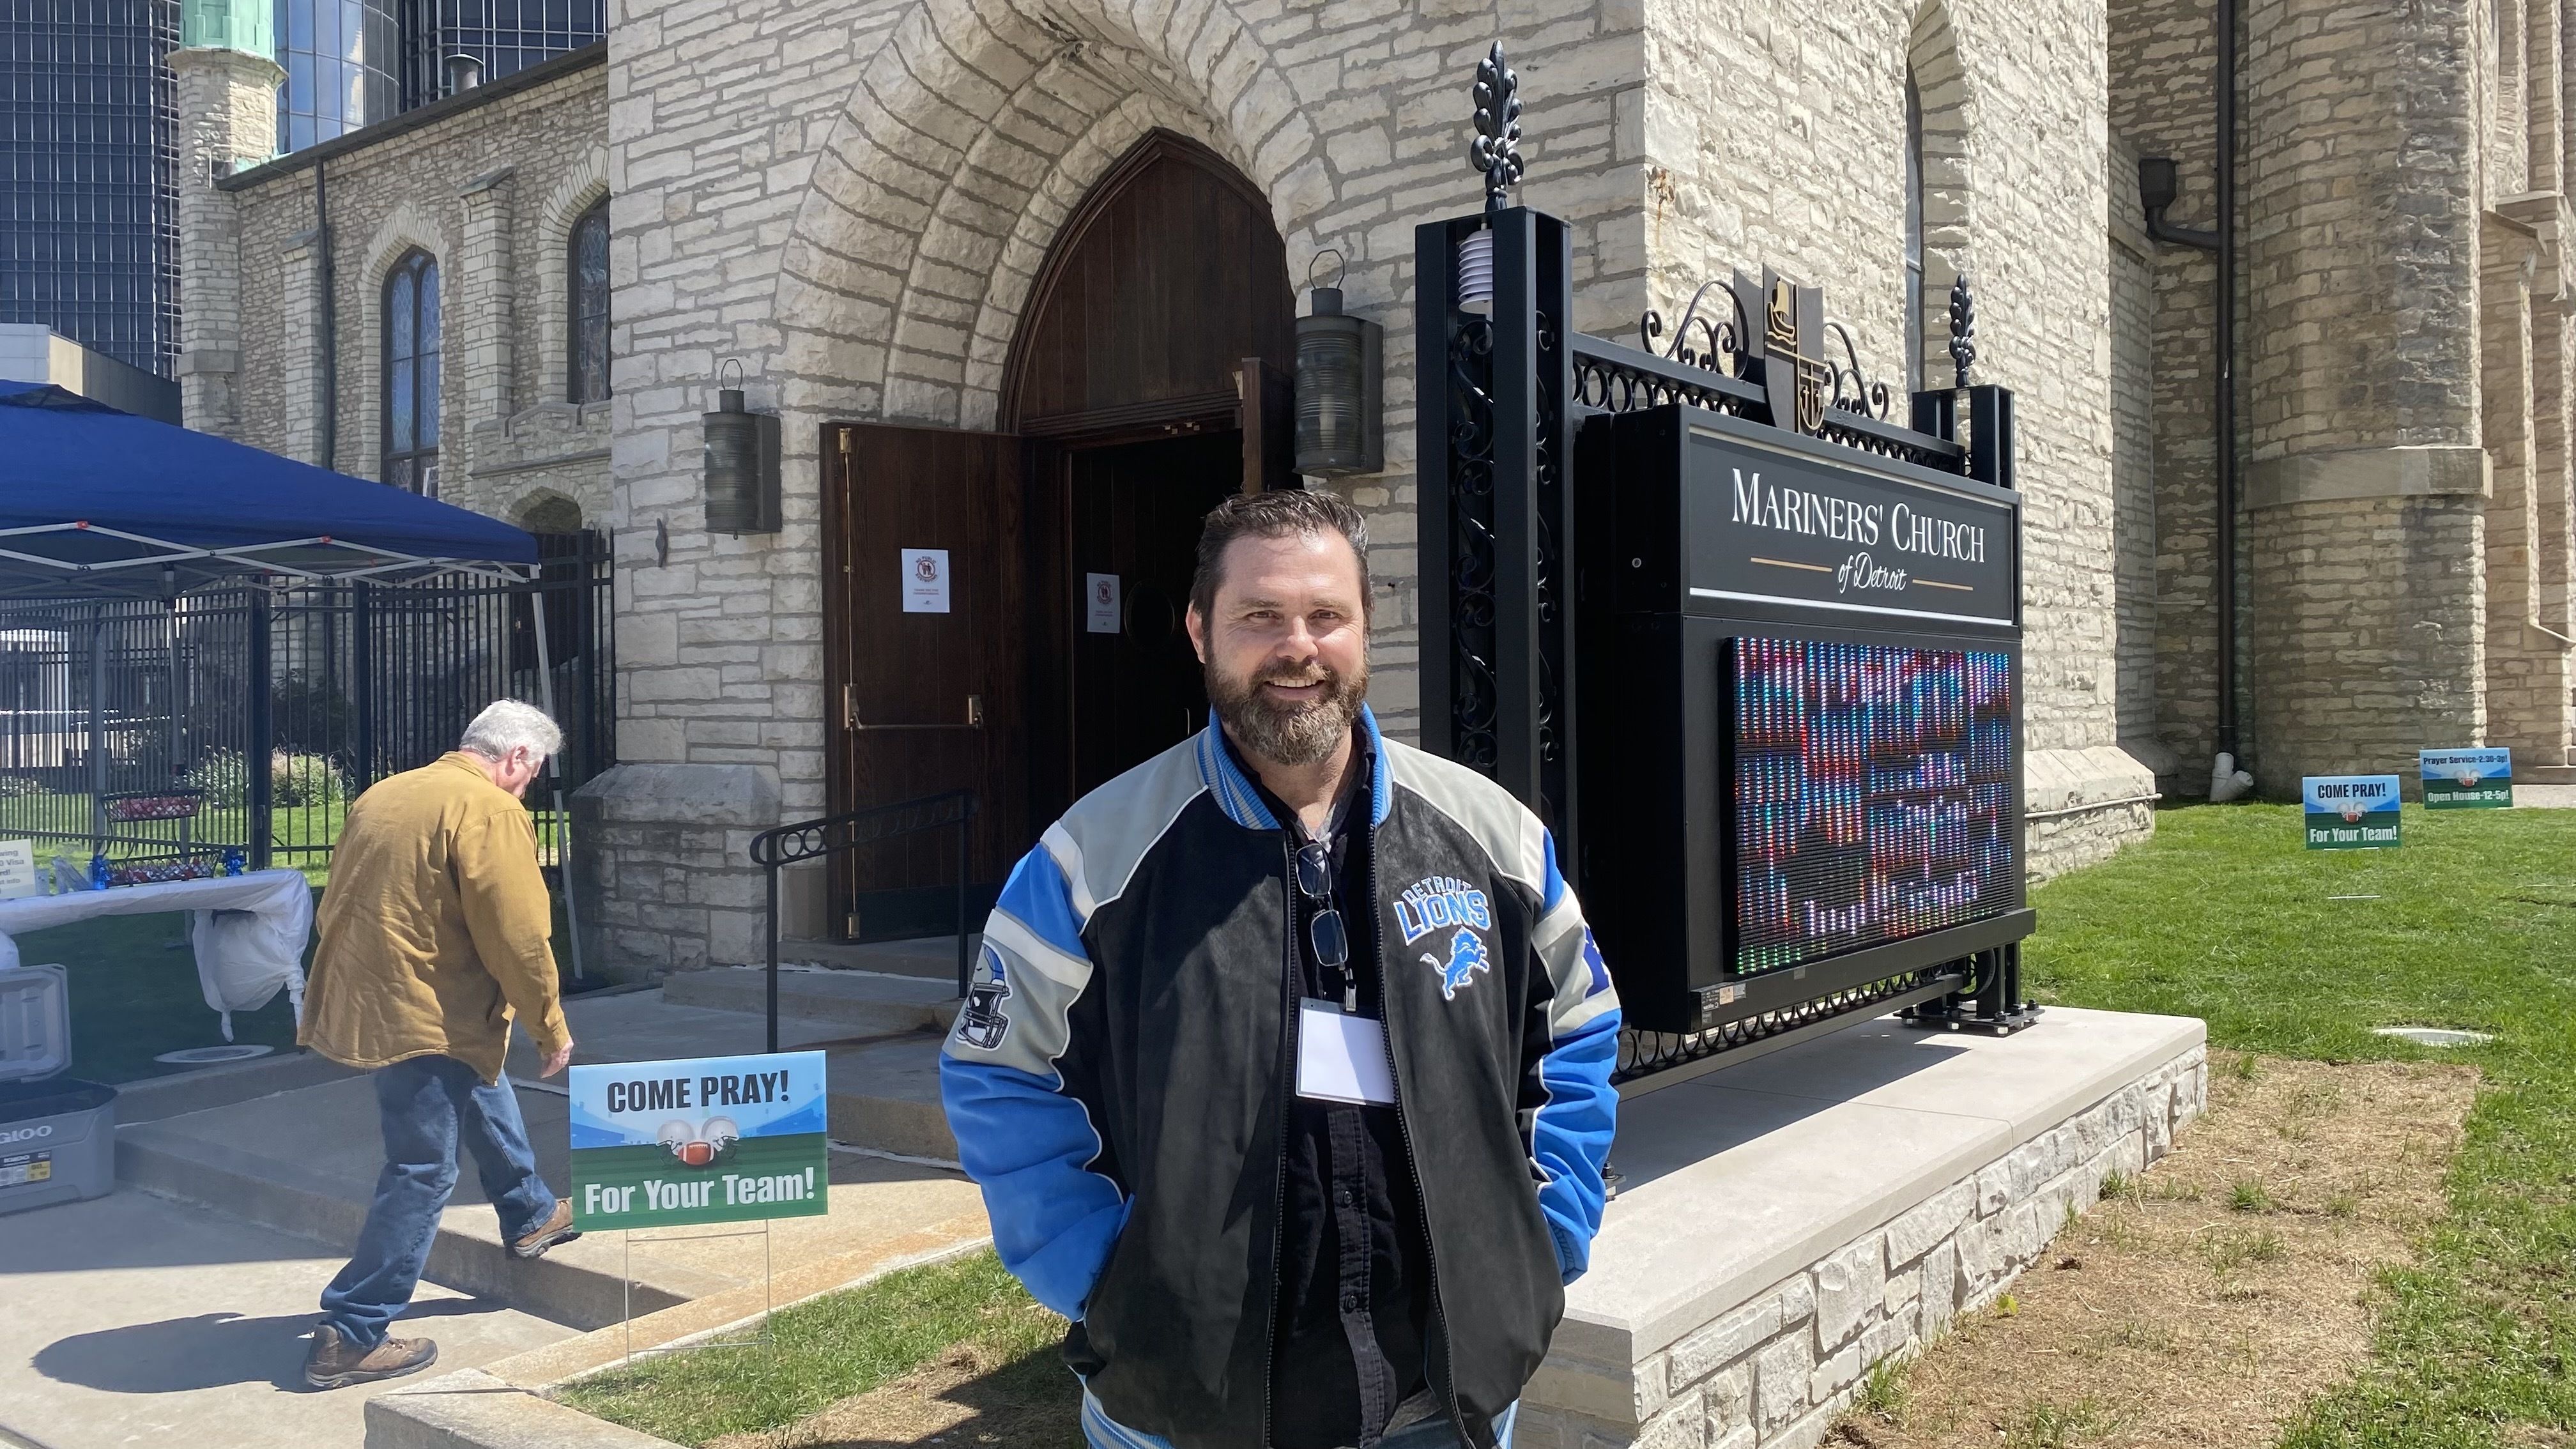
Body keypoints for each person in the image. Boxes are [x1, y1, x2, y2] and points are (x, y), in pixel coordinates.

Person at [940, 491, 1621, 1449]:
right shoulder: (1090, 861)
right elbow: (998, 1071)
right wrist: (1100, 1271)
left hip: (1446, 1399)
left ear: (1363, 631)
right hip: (1185, 1404)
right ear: (1198, 631)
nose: (1296, 647)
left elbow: (1581, 1028)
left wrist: (1539, 1240)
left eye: (1325, 616)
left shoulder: (1491, 838)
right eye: (1259, 617)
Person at [295, 700, 582, 1390]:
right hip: (426, 1007)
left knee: (478, 1078)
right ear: (516, 757)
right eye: (532, 772)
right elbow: (516, 933)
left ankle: (531, 1210)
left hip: (379, 998)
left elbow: (336, 902)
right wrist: (550, 1023)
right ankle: (353, 1329)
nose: (528, 787)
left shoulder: (386, 793)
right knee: (422, 1169)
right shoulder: (490, 810)